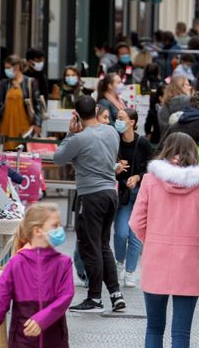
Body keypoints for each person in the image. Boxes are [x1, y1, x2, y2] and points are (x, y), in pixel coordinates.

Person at [129, 132, 199, 348]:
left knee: (154, 327)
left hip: (156, 258)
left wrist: (151, 240)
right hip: (189, 261)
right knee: (181, 333)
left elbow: (136, 221)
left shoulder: (150, 180)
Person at [54, 96, 126, 312]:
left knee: (89, 246)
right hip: (110, 193)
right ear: (96, 110)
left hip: (90, 196)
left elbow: (58, 158)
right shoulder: (112, 131)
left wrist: (69, 133)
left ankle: (94, 298)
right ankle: (115, 294)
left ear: (76, 115)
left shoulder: (78, 139)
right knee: (103, 245)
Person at [0, 203, 74, 348]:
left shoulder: (64, 263)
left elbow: (66, 296)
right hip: (22, 340)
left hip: (55, 340)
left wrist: (42, 319)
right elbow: (0, 301)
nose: (60, 230)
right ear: (37, 231)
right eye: (55, 226)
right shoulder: (16, 263)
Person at [113, 108, 153, 288]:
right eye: (117, 118)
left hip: (139, 193)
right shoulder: (113, 140)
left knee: (136, 235)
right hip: (121, 194)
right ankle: (119, 262)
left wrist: (138, 177)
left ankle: (130, 272)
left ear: (132, 122)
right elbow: (106, 162)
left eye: (122, 118)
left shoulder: (143, 143)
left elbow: (152, 167)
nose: (118, 121)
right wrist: (116, 167)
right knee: (121, 233)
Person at [0, 54, 42, 149]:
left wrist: (38, 124)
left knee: (24, 156)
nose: (6, 70)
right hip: (7, 127)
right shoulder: (4, 84)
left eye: (8, 68)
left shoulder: (30, 82)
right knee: (7, 156)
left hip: (25, 127)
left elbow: (37, 105)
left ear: (17, 67)